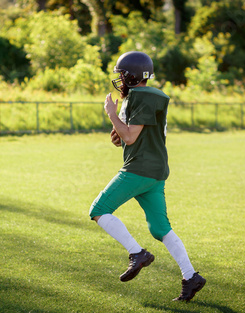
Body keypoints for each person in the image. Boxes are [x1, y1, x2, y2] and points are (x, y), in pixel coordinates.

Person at [88, 51, 206, 302]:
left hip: (140, 169)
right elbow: (128, 138)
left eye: (121, 74)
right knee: (161, 228)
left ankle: (137, 253)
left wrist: (111, 113)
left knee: (99, 209)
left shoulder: (142, 96)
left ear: (131, 75)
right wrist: (118, 134)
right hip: (154, 170)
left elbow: (130, 136)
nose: (119, 79)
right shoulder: (142, 96)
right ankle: (191, 277)